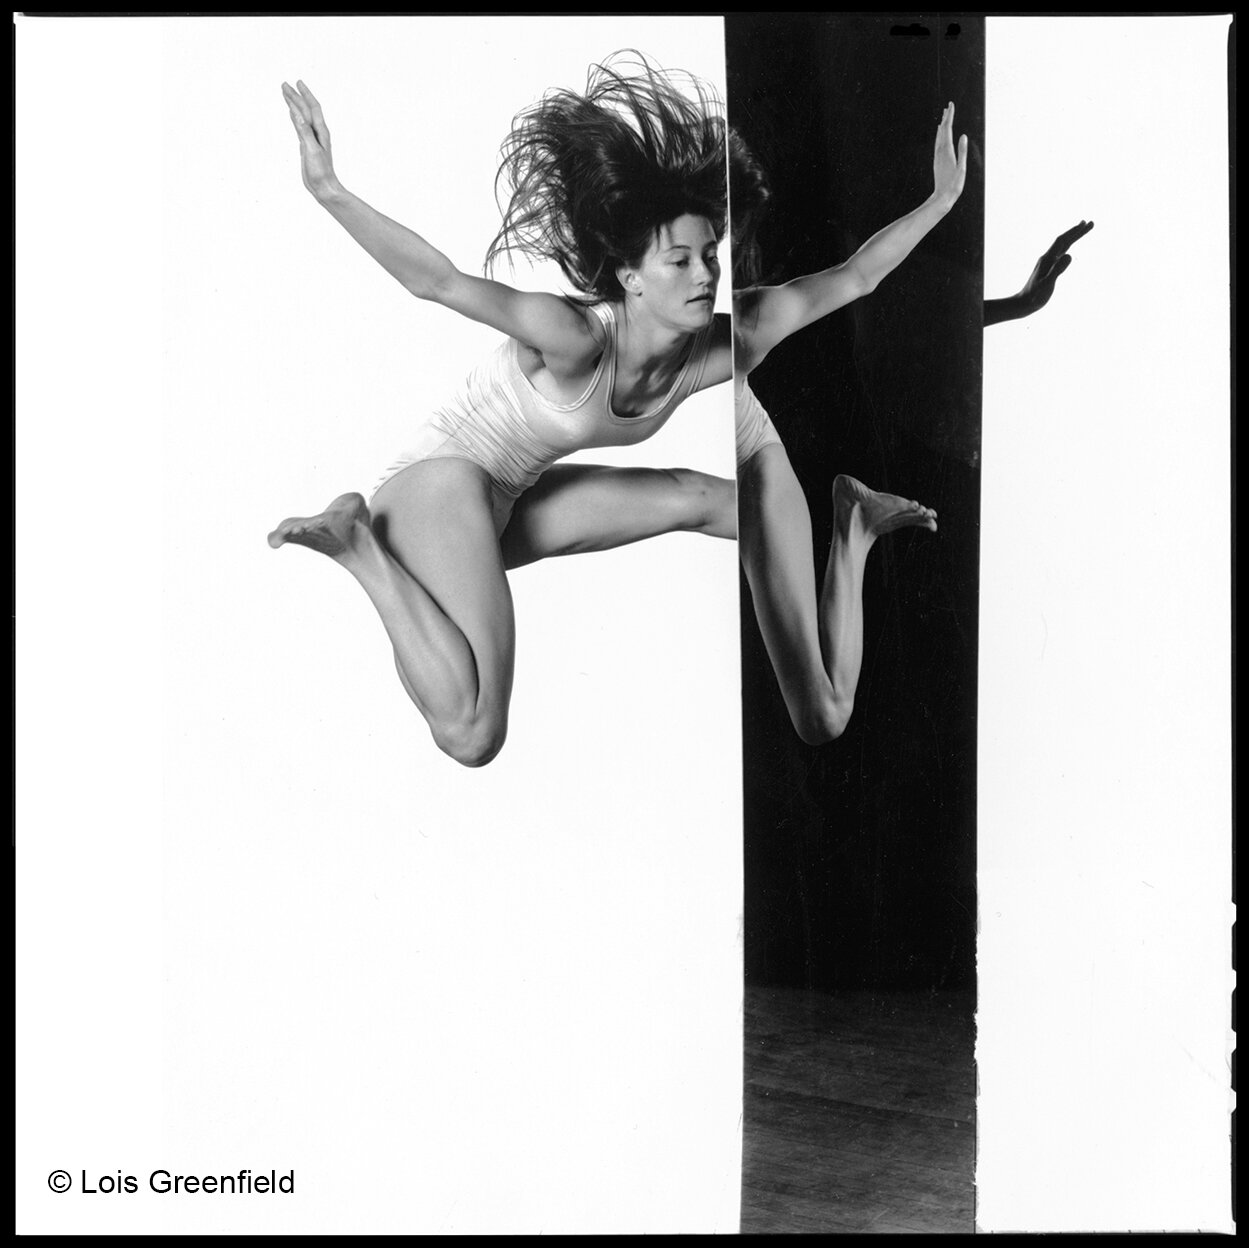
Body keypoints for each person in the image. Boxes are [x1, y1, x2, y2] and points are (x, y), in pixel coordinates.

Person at [269, 57, 737, 767]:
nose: (704, 275)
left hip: (507, 496)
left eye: (711, 257)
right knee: (472, 732)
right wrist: (329, 189)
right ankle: (359, 546)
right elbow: (437, 282)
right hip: (440, 482)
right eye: (681, 261)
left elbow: (831, 307)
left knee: (707, 501)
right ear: (631, 277)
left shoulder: (701, 352)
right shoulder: (571, 336)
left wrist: (962, 313)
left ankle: (858, 554)